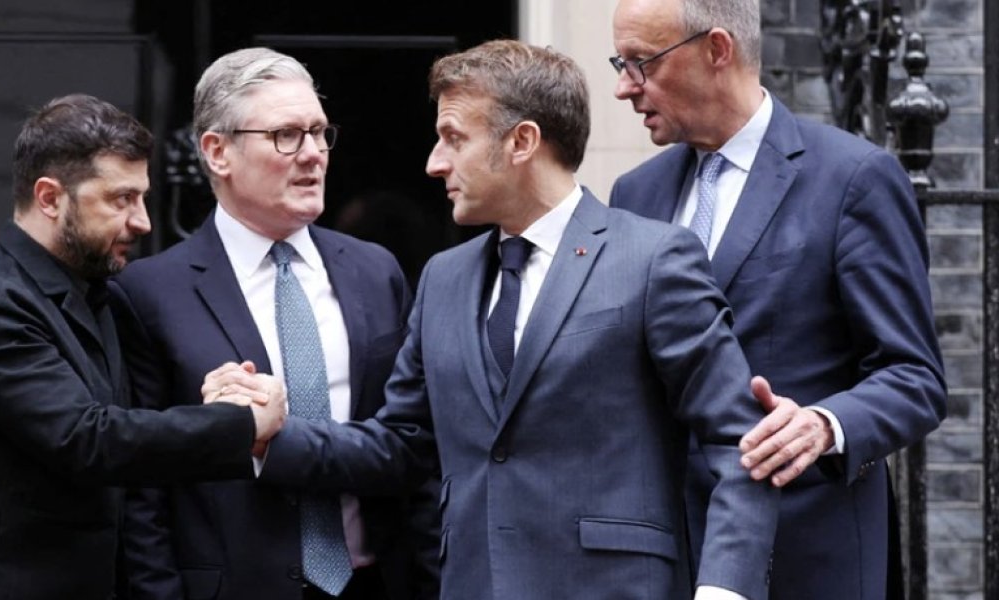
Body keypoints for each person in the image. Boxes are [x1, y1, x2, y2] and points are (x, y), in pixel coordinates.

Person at [240, 39, 779, 600]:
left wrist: (724, 590)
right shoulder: (443, 279)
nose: (434, 163)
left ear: (522, 142)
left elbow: (739, 441)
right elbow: (401, 444)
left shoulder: (652, 259)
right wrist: (268, 436)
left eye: (454, 138)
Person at [607, 1, 948, 598]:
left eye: (642, 63)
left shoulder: (852, 178)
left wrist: (824, 424)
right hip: (665, 559)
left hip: (804, 554)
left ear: (717, 49)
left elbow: (914, 377)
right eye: (621, 64)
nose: (624, 87)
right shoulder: (635, 194)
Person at [0, 94, 286, 600]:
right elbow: (88, 440)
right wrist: (240, 424)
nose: (143, 221)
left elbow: (122, 427)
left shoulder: (97, 295)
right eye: (121, 199)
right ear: (50, 198)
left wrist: (214, 398)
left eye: (142, 198)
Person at [108, 48, 437, 600]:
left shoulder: (375, 272)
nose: (312, 154)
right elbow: (142, 491)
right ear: (217, 151)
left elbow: (417, 450)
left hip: (377, 581)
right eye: (286, 135)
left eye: (319, 133)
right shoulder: (149, 293)